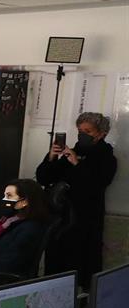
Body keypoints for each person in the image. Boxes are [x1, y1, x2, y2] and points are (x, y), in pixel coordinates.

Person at [36, 112, 118, 287]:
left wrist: (77, 163)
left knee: (81, 269)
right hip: (60, 221)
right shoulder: (72, 152)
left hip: (85, 223)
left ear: (101, 133)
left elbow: (97, 184)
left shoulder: (107, 157)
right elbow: (44, 178)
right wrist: (51, 156)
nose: (82, 135)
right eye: (80, 130)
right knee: (55, 268)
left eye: (88, 131)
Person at [0, 178, 50, 289]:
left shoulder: (29, 230)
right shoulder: (10, 221)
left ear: (24, 202)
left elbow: (5, 265)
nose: (4, 200)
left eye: (9, 196)